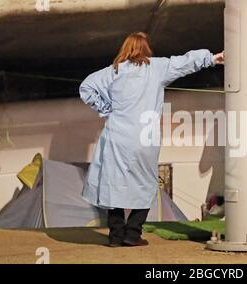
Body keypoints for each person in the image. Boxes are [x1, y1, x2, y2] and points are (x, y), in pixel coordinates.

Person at [79, 32, 224, 247]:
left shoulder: (113, 72)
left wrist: (107, 108)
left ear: (125, 49)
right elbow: (184, 62)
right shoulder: (156, 68)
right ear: (146, 50)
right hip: (145, 138)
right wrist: (211, 58)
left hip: (117, 137)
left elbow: (86, 88)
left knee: (114, 186)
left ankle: (116, 236)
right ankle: (132, 234)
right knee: (146, 185)